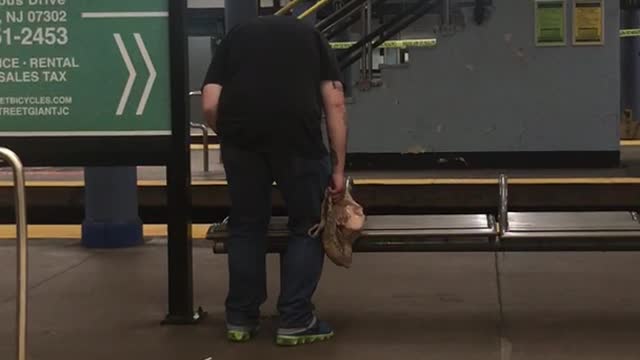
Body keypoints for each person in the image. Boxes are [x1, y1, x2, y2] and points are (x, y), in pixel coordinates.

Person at [201, 14, 348, 346]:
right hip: (299, 139)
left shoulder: (236, 36)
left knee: (246, 225)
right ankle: (296, 319)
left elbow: (210, 103)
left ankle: (240, 318)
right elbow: (335, 104)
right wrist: (338, 170)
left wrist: (232, 136)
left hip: (242, 140)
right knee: (308, 225)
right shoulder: (312, 37)